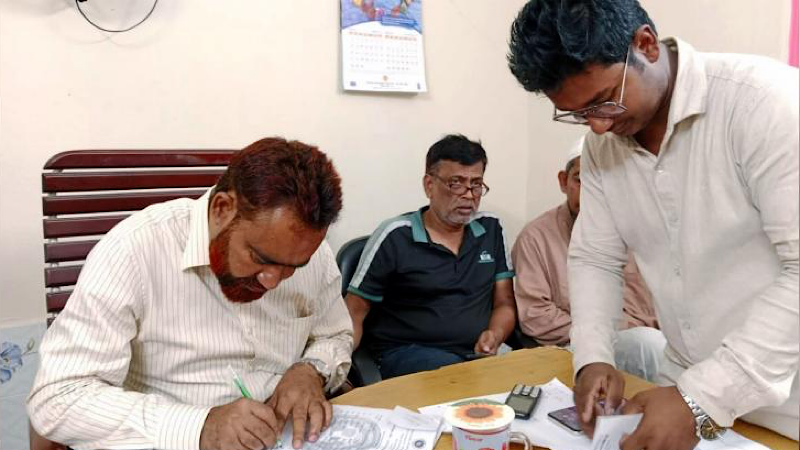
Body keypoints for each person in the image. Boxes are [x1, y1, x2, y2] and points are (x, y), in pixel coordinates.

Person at [508, 0, 799, 448]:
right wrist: (593, 358)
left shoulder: (764, 104)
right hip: (683, 387)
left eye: (603, 101)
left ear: (645, 44)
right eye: (579, 114)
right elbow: (595, 258)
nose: (597, 127)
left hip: (787, 401)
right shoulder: (602, 146)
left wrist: (701, 398)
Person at [27, 137, 354, 450]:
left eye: (294, 267)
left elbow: (335, 335)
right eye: (260, 258)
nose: (272, 281)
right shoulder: (134, 252)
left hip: (287, 437)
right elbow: (59, 397)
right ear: (222, 209)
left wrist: (310, 370)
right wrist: (199, 427)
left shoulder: (311, 254)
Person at [345, 134, 516, 379]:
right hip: (406, 354)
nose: (469, 195)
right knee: (460, 378)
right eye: (456, 183)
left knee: (532, 382)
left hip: (477, 357)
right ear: (429, 185)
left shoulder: (491, 229)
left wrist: (495, 335)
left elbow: (504, 303)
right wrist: (339, 371)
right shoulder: (395, 236)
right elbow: (354, 312)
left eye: (476, 184)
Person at [512, 136, 665, 381]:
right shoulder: (536, 237)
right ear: (563, 181)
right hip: (568, 348)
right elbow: (536, 316)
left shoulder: (638, 230)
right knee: (650, 344)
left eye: (604, 182)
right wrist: (598, 333)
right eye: (581, 180)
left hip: (634, 339)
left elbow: (656, 306)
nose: (592, 192)